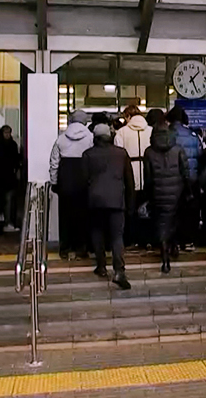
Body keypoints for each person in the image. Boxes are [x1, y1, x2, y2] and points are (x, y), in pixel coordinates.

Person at [82, 124, 135, 289]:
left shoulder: (88, 154)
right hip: (116, 200)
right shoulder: (121, 153)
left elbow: (83, 181)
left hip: (95, 200)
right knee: (117, 236)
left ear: (95, 137)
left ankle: (101, 266)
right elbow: (129, 181)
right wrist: (130, 203)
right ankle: (119, 271)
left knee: (97, 232)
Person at [143, 121, 189, 274]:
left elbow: (148, 178)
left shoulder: (149, 152)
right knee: (173, 220)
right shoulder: (178, 149)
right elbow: (185, 172)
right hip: (177, 193)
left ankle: (165, 259)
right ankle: (172, 250)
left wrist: (148, 195)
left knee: (162, 224)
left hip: (158, 193)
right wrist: (187, 190)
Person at [50, 110, 94, 260]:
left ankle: (64, 248)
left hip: (65, 180)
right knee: (83, 216)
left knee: (65, 216)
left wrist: (54, 182)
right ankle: (81, 248)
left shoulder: (61, 139)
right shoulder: (90, 137)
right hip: (83, 180)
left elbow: (54, 163)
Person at [167, 106, 202, 250]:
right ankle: (188, 242)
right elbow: (199, 155)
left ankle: (173, 242)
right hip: (191, 180)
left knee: (173, 212)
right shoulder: (193, 136)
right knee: (189, 212)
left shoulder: (168, 135)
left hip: (173, 179)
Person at [114, 105, 151, 191]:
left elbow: (118, 153)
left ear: (128, 116)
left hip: (128, 173)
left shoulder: (121, 132)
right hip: (148, 171)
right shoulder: (151, 130)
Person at [0, 126, 22, 232]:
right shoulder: (1, 146)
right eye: (5, 133)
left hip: (10, 178)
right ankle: (7, 222)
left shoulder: (12, 145)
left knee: (11, 202)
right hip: (3, 178)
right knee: (7, 202)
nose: (7, 135)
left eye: (9, 132)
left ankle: (10, 222)